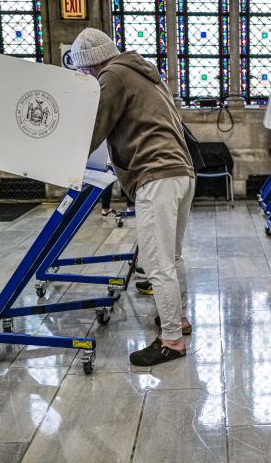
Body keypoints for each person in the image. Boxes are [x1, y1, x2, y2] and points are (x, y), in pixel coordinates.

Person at [71, 28, 196, 365]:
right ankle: (179, 319)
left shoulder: (112, 76)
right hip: (180, 171)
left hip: (156, 175)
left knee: (157, 264)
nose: (84, 77)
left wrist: (60, 154)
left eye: (83, 71)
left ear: (90, 65)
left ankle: (171, 340)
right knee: (173, 256)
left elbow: (95, 130)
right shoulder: (143, 71)